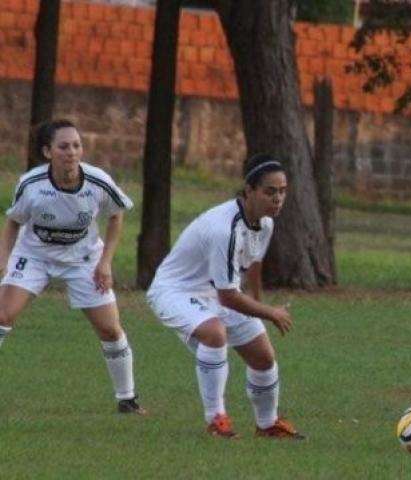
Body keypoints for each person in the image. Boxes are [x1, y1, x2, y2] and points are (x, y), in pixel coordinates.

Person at [147, 153, 304, 439]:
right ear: (249, 191)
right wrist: (269, 313)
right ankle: (216, 420)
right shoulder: (225, 229)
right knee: (214, 333)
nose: (278, 198)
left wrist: (258, 305)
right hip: (175, 290)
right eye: (270, 191)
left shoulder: (265, 222)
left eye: (282, 191)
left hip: (214, 292)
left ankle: (267, 424)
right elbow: (229, 297)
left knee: (263, 357)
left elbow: (254, 264)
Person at [0, 119, 145, 414]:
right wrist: (4, 258)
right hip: (35, 256)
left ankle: (127, 400)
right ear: (47, 152)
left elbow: (117, 215)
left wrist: (105, 263)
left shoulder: (97, 181)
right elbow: (14, 220)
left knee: (110, 330)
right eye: (63, 146)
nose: (72, 152)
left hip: (84, 259)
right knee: (2, 315)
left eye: (77, 145)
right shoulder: (31, 184)